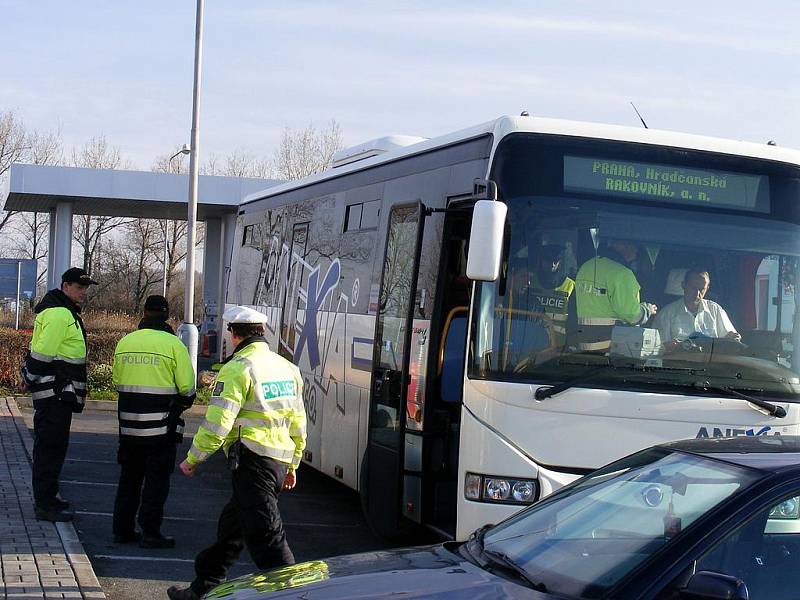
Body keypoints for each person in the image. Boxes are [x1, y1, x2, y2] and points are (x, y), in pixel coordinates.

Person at [167, 305, 307, 600]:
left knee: (266, 534)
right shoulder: (287, 367)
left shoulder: (238, 369)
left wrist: (194, 458)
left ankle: (294, 594)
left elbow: (218, 422)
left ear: (233, 334)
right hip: (278, 460)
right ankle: (203, 586)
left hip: (253, 459)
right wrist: (293, 464)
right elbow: (298, 421)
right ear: (261, 332)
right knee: (234, 526)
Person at [111, 295, 196, 548]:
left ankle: (122, 530)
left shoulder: (125, 342)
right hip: (161, 429)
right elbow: (187, 389)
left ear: (144, 313)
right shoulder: (173, 345)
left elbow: (117, 382)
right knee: (156, 481)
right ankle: (150, 532)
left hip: (128, 427)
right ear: (167, 315)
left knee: (129, 478)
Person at [22, 267, 96, 522]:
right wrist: (30, 377)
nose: (84, 292)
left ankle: (49, 497)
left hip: (58, 394)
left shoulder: (63, 311)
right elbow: (43, 353)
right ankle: (45, 504)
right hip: (55, 393)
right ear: (65, 286)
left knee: (52, 448)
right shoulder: (59, 314)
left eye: (85, 288)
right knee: (50, 449)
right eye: (79, 287)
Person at [574, 239, 658, 352]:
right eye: (635, 245)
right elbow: (632, 315)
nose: (637, 251)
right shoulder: (623, 274)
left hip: (583, 348)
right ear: (623, 245)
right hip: (611, 351)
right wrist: (647, 310)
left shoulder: (587, 266)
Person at [654, 269, 740, 351]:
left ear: (707, 288)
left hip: (712, 364)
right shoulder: (666, 314)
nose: (697, 293)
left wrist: (733, 338)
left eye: (702, 289)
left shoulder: (716, 310)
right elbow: (656, 348)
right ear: (683, 285)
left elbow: (732, 340)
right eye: (693, 288)